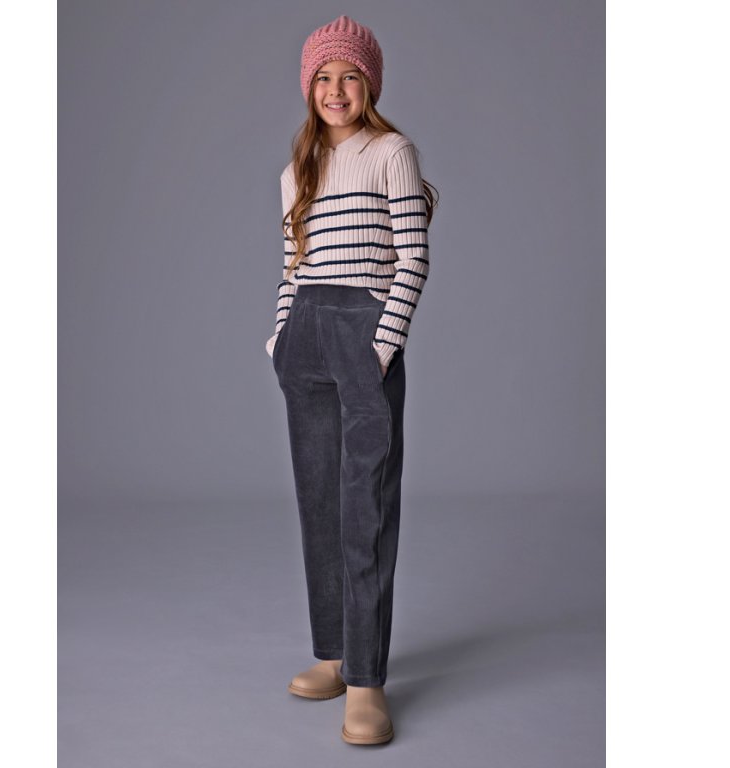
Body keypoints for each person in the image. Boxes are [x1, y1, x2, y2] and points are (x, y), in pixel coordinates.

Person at [265, 15, 438, 746]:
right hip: (306, 332)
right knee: (319, 505)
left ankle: (366, 680)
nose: (336, 90)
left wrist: (382, 344)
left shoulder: (392, 153)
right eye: (324, 77)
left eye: (350, 76)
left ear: (371, 84)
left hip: (363, 333)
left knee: (364, 507)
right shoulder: (297, 169)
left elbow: (413, 258)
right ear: (309, 87)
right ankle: (333, 655)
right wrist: (279, 338)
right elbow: (291, 265)